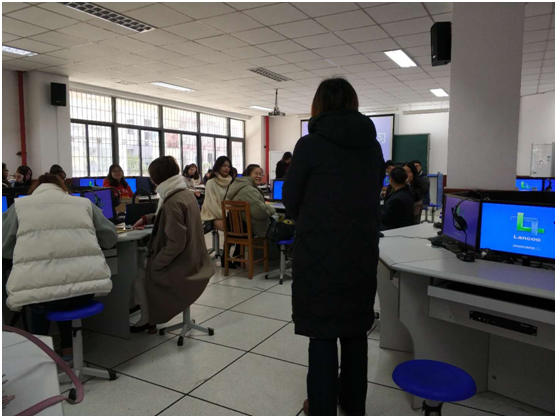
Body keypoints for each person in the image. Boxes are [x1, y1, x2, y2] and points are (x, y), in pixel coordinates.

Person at [283, 77, 384, 416]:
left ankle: (322, 408)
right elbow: (373, 193)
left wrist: (315, 219)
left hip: (318, 253)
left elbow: (291, 199)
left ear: (319, 105)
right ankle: (353, 406)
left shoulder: (310, 145)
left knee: (323, 333)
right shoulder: (373, 146)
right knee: (355, 332)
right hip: (361, 252)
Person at [3, 174, 117, 362]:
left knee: (40, 296)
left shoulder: (19, 206)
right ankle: (68, 349)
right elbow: (110, 237)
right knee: (67, 289)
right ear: (62, 187)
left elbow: (4, 247)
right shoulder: (84, 204)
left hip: (41, 298)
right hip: (85, 292)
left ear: (35, 189)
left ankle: (40, 356)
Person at [130, 156, 214, 332]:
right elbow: (170, 218)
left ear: (156, 178)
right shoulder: (184, 194)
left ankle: (147, 319)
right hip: (196, 258)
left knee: (138, 275)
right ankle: (150, 317)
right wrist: (147, 218)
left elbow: (176, 243)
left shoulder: (172, 201)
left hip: (183, 265)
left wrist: (156, 263)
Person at [225, 164, 276, 238]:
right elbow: (261, 213)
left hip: (242, 226)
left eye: (260, 174)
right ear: (248, 175)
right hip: (254, 229)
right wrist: (272, 210)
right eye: (256, 174)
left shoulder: (239, 185)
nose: (259, 176)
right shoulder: (249, 190)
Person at [200, 156, 232, 232]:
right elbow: (211, 205)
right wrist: (224, 216)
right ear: (218, 167)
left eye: (228, 166)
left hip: (227, 215)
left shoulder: (231, 182)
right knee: (233, 229)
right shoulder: (211, 182)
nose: (227, 168)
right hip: (212, 215)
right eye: (224, 166)